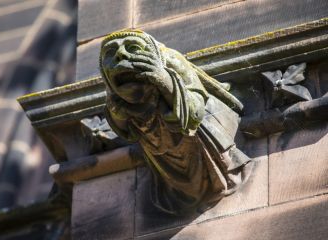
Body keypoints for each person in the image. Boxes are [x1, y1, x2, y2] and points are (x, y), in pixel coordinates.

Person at [99, 29, 253, 215]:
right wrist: (117, 110)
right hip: (162, 152)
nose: (121, 55)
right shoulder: (113, 89)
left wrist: (164, 79)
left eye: (132, 47)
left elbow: (195, 112)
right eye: (110, 53)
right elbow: (126, 131)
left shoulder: (170, 60)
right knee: (181, 187)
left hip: (193, 139)